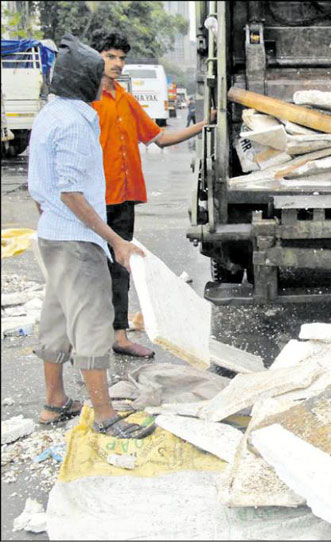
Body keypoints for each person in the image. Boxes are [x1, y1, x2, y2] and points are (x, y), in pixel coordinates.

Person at [27, 35, 154, 438]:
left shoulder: (49, 114)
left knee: (57, 318)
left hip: (51, 234)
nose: (106, 78)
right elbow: (70, 190)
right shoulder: (79, 120)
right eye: (99, 73)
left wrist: (51, 219)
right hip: (77, 240)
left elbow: (42, 187)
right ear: (82, 79)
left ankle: (55, 403)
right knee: (93, 324)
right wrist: (115, 240)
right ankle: (105, 416)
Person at [90, 30, 214, 358]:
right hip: (91, 200)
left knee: (119, 268)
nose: (117, 64)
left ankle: (117, 334)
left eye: (121, 58)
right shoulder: (85, 100)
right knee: (88, 269)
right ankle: (89, 336)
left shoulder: (126, 100)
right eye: (110, 56)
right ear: (95, 56)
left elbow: (158, 138)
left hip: (123, 197)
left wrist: (204, 124)